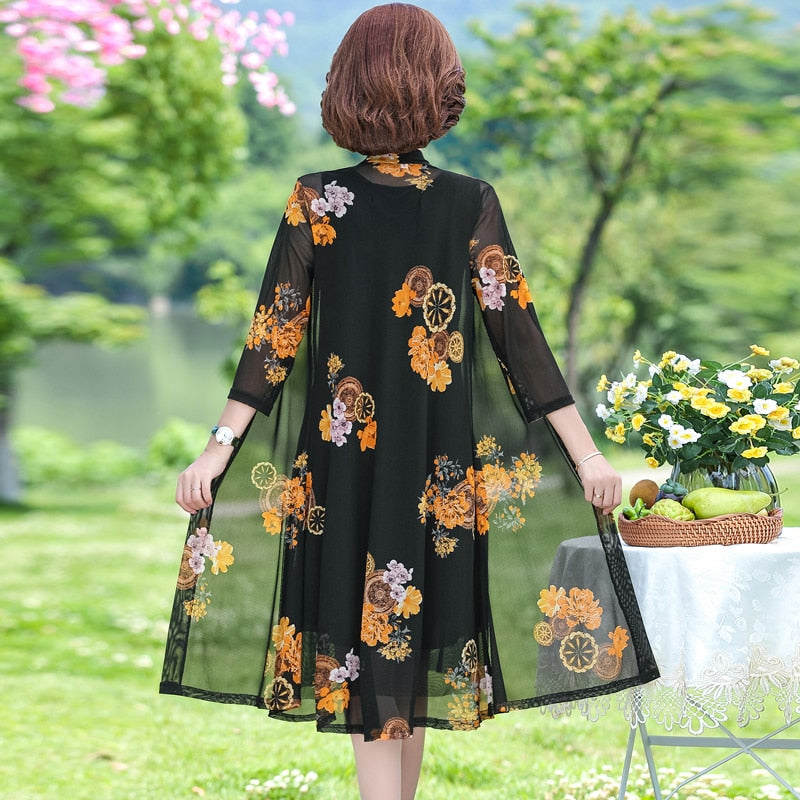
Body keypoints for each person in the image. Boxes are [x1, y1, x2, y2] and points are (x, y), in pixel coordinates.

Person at [161, 5, 658, 799]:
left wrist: (219, 446)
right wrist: (587, 454)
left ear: (347, 86)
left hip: (348, 467)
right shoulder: (463, 200)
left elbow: (272, 337)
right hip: (437, 470)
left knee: (392, 661)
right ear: (440, 88)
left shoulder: (320, 199)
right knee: (400, 653)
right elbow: (520, 340)